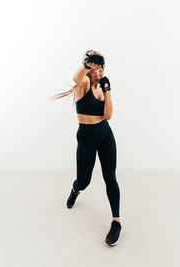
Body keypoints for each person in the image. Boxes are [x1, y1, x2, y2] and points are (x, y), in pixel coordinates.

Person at [51, 50, 121, 246]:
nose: (98, 72)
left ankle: (116, 222)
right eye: (94, 69)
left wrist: (108, 91)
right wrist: (86, 63)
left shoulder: (103, 86)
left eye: (101, 69)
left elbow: (108, 115)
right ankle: (75, 189)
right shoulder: (83, 85)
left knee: (110, 177)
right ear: (89, 70)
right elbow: (76, 77)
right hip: (87, 138)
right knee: (84, 181)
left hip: (105, 135)